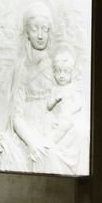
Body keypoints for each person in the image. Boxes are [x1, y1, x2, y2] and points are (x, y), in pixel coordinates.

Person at [0, 0, 56, 171]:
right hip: (29, 130)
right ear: (27, 32)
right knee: (42, 158)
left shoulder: (56, 67)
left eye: (44, 29)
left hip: (52, 127)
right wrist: (32, 142)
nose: (40, 35)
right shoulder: (22, 69)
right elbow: (16, 116)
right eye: (34, 29)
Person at [34, 45, 89, 175]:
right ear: (54, 73)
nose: (61, 76)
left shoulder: (72, 89)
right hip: (57, 120)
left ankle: (53, 140)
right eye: (58, 72)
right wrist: (54, 99)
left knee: (68, 122)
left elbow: (79, 103)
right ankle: (52, 140)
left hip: (68, 118)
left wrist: (71, 110)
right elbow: (48, 106)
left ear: (71, 73)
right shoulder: (55, 89)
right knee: (58, 123)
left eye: (65, 72)